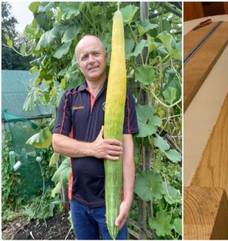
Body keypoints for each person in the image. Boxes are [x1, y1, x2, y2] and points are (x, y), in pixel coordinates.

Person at [52, 35, 138, 240]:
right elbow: (57, 142)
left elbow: (127, 152)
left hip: (110, 202)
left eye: (96, 54)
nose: (91, 60)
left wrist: (127, 198)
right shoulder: (70, 97)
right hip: (78, 201)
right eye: (84, 57)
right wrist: (93, 148)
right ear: (79, 64)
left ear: (106, 57)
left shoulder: (122, 96)